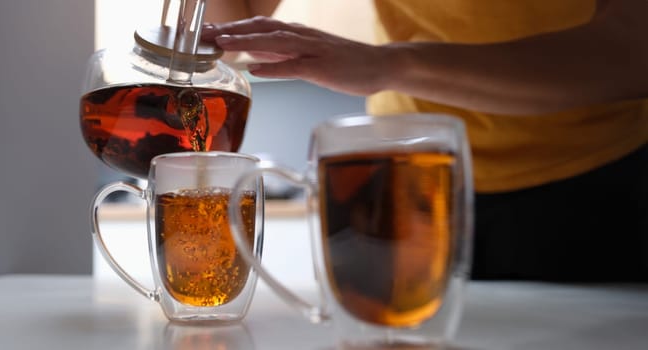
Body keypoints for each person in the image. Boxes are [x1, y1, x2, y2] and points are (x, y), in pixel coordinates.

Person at [202, 0, 648, 281]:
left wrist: (391, 66)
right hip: (410, 184)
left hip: (592, 184)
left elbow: (632, 55)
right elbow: (236, 21)